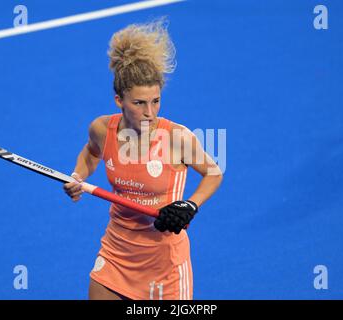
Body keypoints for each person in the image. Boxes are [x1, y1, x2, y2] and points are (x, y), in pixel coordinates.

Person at [63, 20, 223, 300]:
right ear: (119, 100)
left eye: (156, 101)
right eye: (139, 103)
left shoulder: (177, 138)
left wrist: (190, 204)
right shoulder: (102, 129)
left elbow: (214, 173)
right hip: (117, 253)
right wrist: (78, 177)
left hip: (164, 263)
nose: (150, 112)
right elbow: (91, 153)